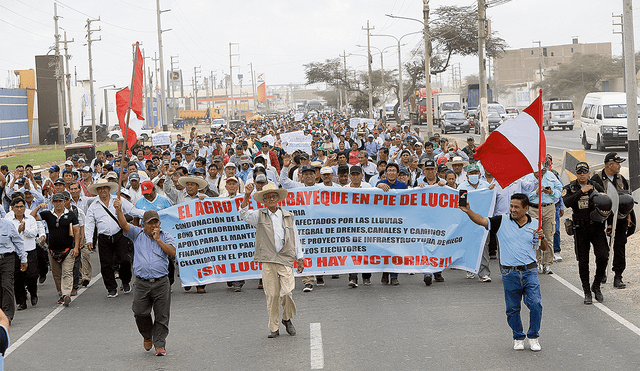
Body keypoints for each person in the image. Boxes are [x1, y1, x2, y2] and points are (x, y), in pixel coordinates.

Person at [460, 193, 546, 352]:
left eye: (516, 207)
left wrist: (542, 237)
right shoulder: (501, 221)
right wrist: (468, 211)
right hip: (509, 273)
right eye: (511, 206)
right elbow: (481, 221)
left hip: (530, 271)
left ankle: (533, 336)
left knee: (535, 304)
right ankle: (518, 337)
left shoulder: (535, 224)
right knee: (513, 308)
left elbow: (544, 247)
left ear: (526, 208)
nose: (512, 209)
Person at [239, 183, 304, 338]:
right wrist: (247, 195)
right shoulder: (259, 215)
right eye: (268, 197)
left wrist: (300, 258)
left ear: (278, 198)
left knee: (287, 292)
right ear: (264, 200)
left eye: (274, 196)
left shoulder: (288, 216)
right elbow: (243, 214)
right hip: (268, 259)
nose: (271, 199)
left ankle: (287, 318)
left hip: (285, 257)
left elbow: (295, 237)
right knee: (272, 295)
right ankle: (273, 327)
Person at [114, 198, 175, 357]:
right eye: (150, 223)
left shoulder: (165, 236)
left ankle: (160, 344)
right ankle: (147, 335)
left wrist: (158, 240)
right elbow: (123, 225)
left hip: (161, 282)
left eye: (156, 223)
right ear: (143, 225)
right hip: (142, 283)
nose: (154, 226)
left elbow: (172, 253)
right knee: (140, 312)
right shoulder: (137, 234)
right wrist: (119, 210)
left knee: (162, 315)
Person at [85, 179, 144, 298]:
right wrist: (89, 240)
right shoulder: (93, 206)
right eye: (100, 188)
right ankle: (111, 288)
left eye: (105, 188)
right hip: (103, 238)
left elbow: (133, 211)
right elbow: (89, 223)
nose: (103, 190)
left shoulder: (118, 200)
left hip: (119, 234)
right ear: (97, 191)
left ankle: (126, 281)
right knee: (106, 264)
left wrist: (147, 214)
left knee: (124, 260)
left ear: (109, 189)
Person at [562, 162, 609, 304]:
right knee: (583, 262)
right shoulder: (570, 187)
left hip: (596, 228)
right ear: (576, 174)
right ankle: (587, 291)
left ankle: (596, 285)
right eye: (579, 172)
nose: (582, 174)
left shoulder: (595, 185)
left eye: (584, 172)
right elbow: (567, 202)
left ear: (589, 173)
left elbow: (606, 201)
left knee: (603, 256)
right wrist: (580, 192)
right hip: (580, 229)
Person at [590, 152, 631, 289]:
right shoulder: (596, 179)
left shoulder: (621, 179)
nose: (619, 166)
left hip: (620, 218)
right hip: (601, 218)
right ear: (609, 164)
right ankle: (601, 272)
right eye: (617, 163)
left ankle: (618, 275)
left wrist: (629, 216)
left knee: (619, 246)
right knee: (602, 248)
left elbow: (628, 200)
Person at [32, 192, 79, 307]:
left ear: (64, 202)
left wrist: (76, 247)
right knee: (56, 274)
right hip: (52, 250)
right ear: (52, 203)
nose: (58, 204)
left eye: (60, 201)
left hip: (68, 249)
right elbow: (32, 216)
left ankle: (66, 294)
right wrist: (39, 207)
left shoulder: (71, 215)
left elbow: (76, 231)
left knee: (67, 272)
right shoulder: (48, 214)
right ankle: (61, 294)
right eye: (56, 201)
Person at [523, 167, 562, 274]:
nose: (541, 172)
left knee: (548, 236)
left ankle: (547, 263)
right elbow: (524, 195)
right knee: (534, 236)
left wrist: (551, 192)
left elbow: (560, 190)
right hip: (533, 208)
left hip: (548, 208)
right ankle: (536, 261)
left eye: (543, 170)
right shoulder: (528, 177)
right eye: (539, 170)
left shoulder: (551, 176)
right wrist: (535, 193)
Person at [6, 198, 39, 310]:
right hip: (15, 253)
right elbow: (8, 236)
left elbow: (34, 233)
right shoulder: (9, 220)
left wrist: (25, 230)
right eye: (17, 207)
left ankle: (33, 293)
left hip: (29, 251)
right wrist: (18, 231)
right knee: (17, 278)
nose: (19, 209)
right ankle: (21, 301)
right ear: (12, 208)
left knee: (32, 275)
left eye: (21, 206)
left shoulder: (30, 218)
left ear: (25, 207)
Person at [0, 208, 27, 319]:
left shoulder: (7, 224)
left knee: (7, 285)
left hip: (7, 258)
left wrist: (23, 259)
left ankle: (7, 315)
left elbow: (18, 242)